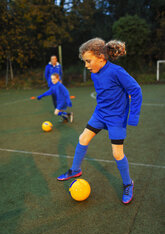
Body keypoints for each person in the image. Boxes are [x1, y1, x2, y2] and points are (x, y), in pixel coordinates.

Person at [57, 38, 143, 205]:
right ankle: (75, 170)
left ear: (101, 57)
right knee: (83, 138)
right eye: (84, 62)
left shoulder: (117, 72)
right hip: (100, 114)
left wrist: (133, 116)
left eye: (88, 61)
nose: (86, 65)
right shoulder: (94, 73)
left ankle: (127, 184)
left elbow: (136, 90)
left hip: (116, 118)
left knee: (117, 153)